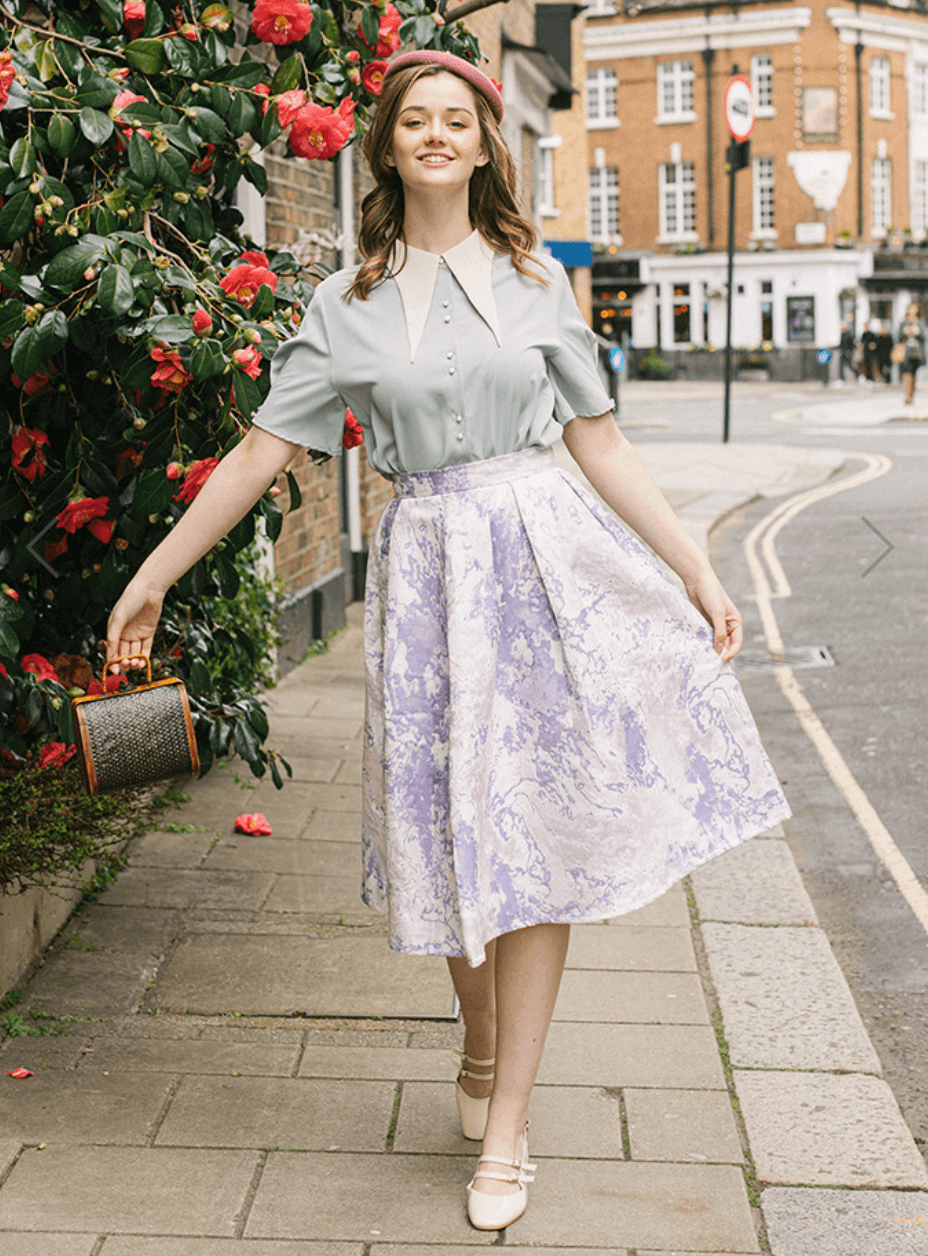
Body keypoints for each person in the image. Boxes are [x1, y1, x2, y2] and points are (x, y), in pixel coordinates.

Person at [104, 51, 791, 1231]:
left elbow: (602, 444)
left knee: (533, 837)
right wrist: (152, 576)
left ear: (483, 146)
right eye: (411, 120)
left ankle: (510, 1120)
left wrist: (693, 565)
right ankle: (477, 1041)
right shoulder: (343, 305)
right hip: (427, 588)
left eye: (452, 122)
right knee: (452, 837)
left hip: (544, 567)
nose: (432, 135)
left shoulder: (535, 283)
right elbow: (264, 453)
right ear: (387, 147)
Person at [896, 301, 927, 405]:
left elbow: (924, 338)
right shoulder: (903, 323)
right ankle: (907, 395)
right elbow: (898, 337)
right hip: (906, 352)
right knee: (906, 373)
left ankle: (911, 393)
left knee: (913, 374)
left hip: (917, 352)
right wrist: (905, 332)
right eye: (911, 309)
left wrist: (917, 333)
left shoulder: (920, 322)